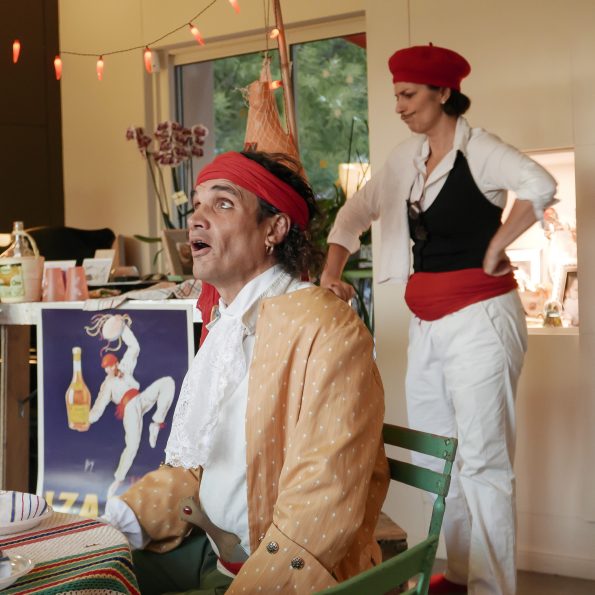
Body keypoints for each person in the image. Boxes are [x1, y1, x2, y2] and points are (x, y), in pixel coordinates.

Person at [321, 45, 556, 595]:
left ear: (443, 93)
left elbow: (541, 185)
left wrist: (499, 242)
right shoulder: (406, 159)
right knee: (441, 457)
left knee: (484, 462)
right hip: (427, 327)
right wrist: (332, 270)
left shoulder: (481, 151)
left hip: (481, 322)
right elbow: (354, 214)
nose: (399, 106)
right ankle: (462, 573)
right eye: (396, 95)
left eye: (408, 95)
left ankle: (493, 588)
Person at [103, 151, 389, 594]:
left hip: (278, 576)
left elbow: (320, 504)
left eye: (222, 203)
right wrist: (120, 522)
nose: (197, 219)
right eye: (196, 204)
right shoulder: (227, 325)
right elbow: (198, 469)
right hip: (212, 550)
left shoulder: (327, 328)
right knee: (77, 574)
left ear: (274, 229)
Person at [86, 314, 176, 499]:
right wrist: (87, 420)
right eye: (106, 368)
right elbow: (99, 407)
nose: (109, 369)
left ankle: (156, 423)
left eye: (111, 365)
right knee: (132, 445)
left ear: (116, 363)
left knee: (167, 382)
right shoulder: (107, 385)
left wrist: (123, 328)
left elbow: (134, 347)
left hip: (140, 399)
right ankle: (118, 480)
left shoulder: (125, 368)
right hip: (129, 409)